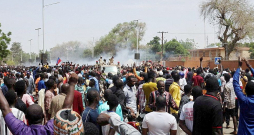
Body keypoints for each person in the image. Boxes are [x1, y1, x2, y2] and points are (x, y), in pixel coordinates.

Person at [233, 58, 254, 134]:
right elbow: (235, 83)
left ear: (246, 91)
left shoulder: (243, 100)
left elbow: (235, 83)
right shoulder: (244, 100)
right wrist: (250, 66)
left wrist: (239, 67)